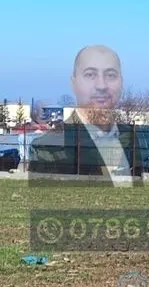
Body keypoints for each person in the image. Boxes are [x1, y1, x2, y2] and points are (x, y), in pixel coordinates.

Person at [29, 45, 143, 185]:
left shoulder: (132, 140)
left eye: (111, 75)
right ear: (74, 83)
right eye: (90, 75)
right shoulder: (48, 149)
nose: (101, 86)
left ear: (121, 83)